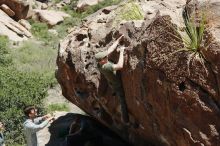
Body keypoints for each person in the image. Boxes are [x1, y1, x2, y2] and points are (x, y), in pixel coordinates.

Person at [95, 35, 129, 124]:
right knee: (122, 101)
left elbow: (110, 50)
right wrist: (121, 51)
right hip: (117, 84)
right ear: (102, 61)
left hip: (111, 82)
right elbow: (120, 66)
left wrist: (118, 41)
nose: (107, 57)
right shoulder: (106, 66)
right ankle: (125, 120)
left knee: (112, 85)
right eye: (105, 57)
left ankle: (114, 92)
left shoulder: (99, 64)